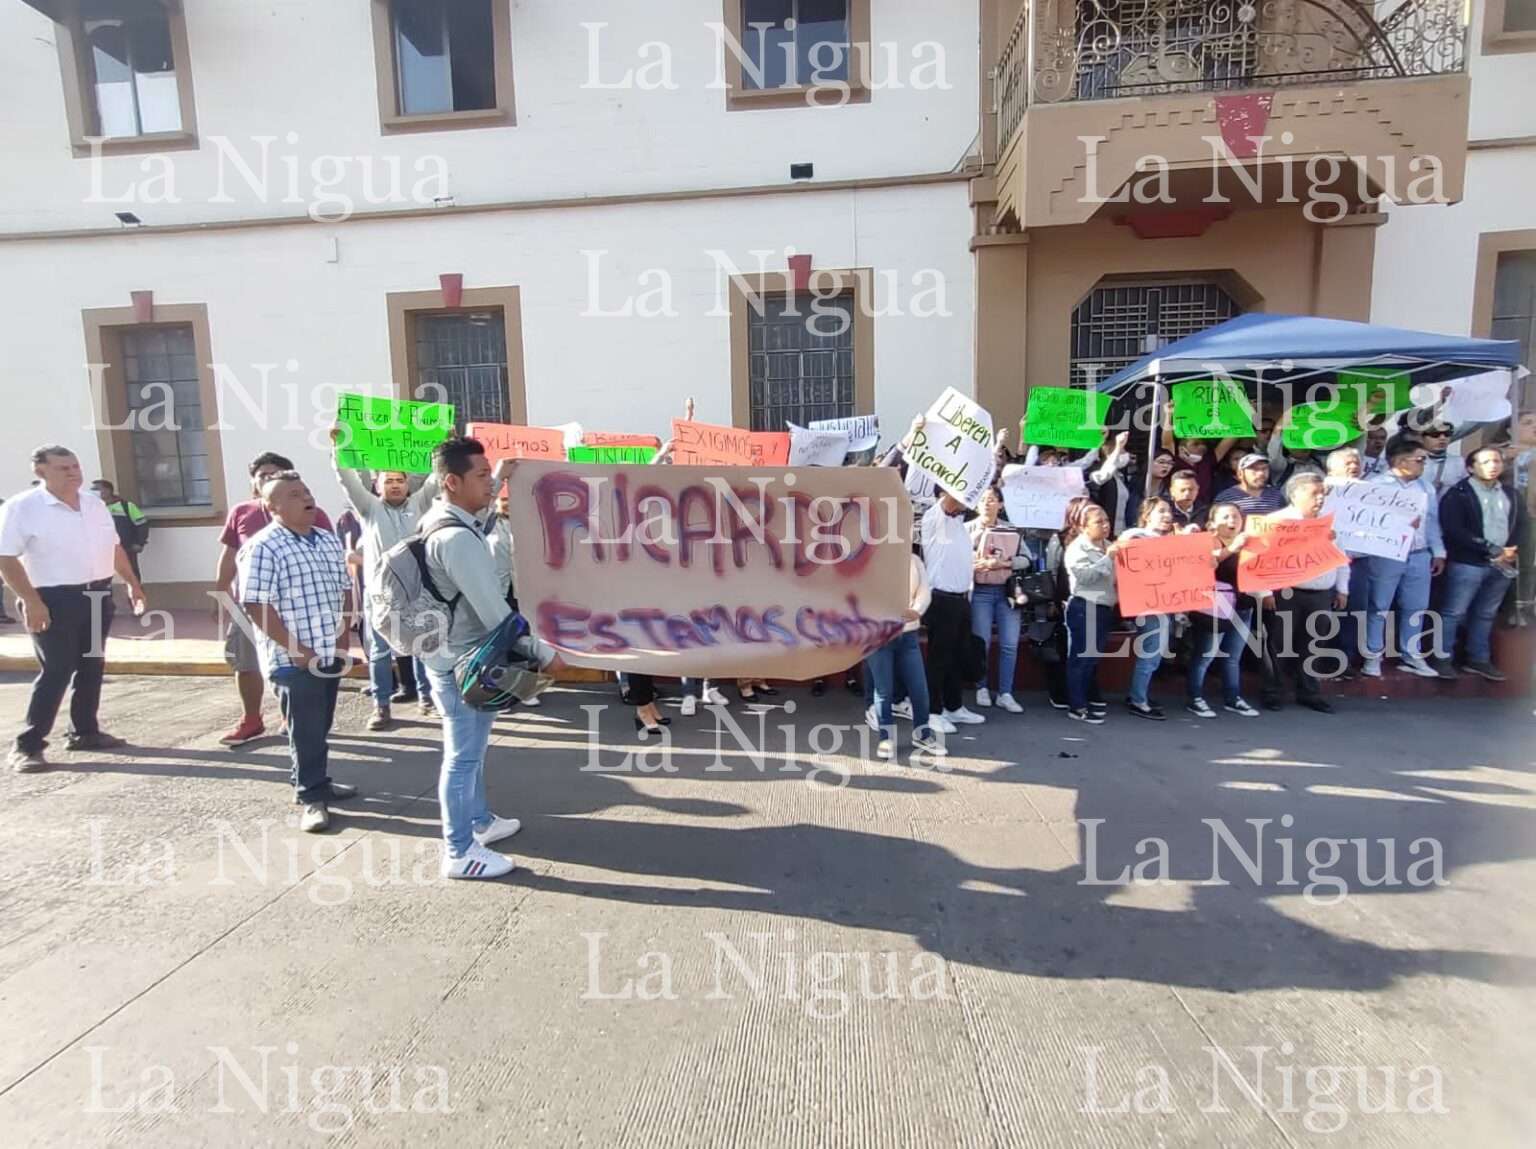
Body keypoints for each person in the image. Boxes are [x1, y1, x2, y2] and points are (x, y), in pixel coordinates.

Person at [418, 436, 559, 880]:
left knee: (473, 752)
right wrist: (543, 654)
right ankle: (459, 851)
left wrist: (500, 474)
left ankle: (480, 821)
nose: (489, 486)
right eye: (481, 476)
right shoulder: (457, 539)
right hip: (462, 663)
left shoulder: (445, 519)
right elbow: (496, 614)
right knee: (462, 757)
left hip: (455, 656)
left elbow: (481, 511)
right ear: (451, 482)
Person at [0, 445, 148, 772]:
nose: (73, 473)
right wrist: (32, 601)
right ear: (41, 472)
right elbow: (6, 558)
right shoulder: (22, 507)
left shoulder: (94, 504)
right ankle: (27, 745)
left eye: (75, 466)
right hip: (52, 598)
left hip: (96, 594)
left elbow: (113, 547)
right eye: (63, 468)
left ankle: (84, 731)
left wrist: (132, 583)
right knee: (57, 669)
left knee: (91, 664)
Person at [238, 472, 357, 833]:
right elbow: (255, 604)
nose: (306, 498)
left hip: (328, 651)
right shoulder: (263, 546)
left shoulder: (327, 540)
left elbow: (344, 590)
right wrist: (297, 649)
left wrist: (342, 638)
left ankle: (315, 781)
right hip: (292, 659)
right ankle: (311, 798)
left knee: (320, 725)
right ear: (272, 507)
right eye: (293, 495)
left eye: (306, 491)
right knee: (305, 729)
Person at [215, 452, 333, 747]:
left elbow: (327, 554)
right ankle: (251, 718)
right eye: (262, 475)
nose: (267, 478)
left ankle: (288, 715)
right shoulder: (242, 512)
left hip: (298, 608)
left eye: (274, 473)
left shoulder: (313, 514)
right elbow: (229, 555)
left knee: (292, 667)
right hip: (253, 602)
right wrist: (221, 591)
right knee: (245, 662)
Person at [330, 431, 439, 730]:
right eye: (388, 480)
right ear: (377, 485)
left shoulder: (420, 504)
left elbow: (437, 477)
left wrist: (444, 445)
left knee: (420, 645)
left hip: (415, 590)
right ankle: (381, 706)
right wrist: (338, 446)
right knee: (380, 652)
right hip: (380, 595)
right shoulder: (369, 508)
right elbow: (347, 478)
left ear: (407, 484)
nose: (394, 485)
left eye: (399, 480)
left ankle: (427, 700)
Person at [1258, 472, 1349, 713]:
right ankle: (1273, 692)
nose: (1320, 498)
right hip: (1285, 592)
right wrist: (1264, 592)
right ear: (1296, 494)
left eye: (1322, 494)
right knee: (1278, 643)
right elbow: (1259, 560)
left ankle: (1309, 692)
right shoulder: (1276, 522)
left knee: (1314, 644)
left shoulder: (1329, 524)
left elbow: (1341, 558)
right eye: (1314, 493)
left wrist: (1342, 588)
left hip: (1321, 593)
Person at [1437, 445, 1523, 681]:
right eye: (1485, 462)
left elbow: (1520, 524)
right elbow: (1454, 530)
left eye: (1496, 461)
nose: (1492, 466)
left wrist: (1511, 550)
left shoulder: (1511, 494)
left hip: (1502, 563)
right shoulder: (1458, 494)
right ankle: (1442, 658)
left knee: (1486, 613)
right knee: (1454, 612)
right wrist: (1490, 548)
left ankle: (1478, 659)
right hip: (1468, 562)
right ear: (1470, 468)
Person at [1361, 436, 1444, 679]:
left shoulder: (1426, 488)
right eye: (1419, 460)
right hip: (1386, 553)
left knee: (1416, 606)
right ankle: (1372, 656)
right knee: (1379, 605)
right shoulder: (1376, 485)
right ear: (1400, 460)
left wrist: (1438, 551)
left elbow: (1432, 522)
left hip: (1418, 553)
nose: (1423, 464)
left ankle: (1412, 654)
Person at [866, 551, 947, 759]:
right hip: (879, 635)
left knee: (919, 689)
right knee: (884, 690)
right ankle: (886, 739)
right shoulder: (870, 558)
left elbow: (924, 591)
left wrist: (917, 610)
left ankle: (922, 734)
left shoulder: (914, 560)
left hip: (909, 635)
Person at [1186, 503, 1260, 719]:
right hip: (1215, 608)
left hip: (1243, 605)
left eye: (1236, 516)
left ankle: (1232, 698)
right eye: (1226, 517)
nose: (1232, 521)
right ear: (1212, 523)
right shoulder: (1209, 541)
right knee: (1205, 655)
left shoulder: (1250, 542)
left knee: (1232, 656)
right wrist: (1232, 548)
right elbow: (1206, 563)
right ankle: (1195, 698)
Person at [1116, 497, 1185, 720]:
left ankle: (1139, 693)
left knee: (1155, 653)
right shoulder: (1135, 535)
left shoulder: (1170, 539)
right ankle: (1138, 700)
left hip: (1166, 603)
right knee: (1150, 653)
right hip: (1147, 605)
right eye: (1161, 511)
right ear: (1146, 516)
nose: (1167, 515)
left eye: (1169, 511)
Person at [921, 491, 985, 727]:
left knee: (957, 656)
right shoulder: (934, 516)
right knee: (939, 658)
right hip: (941, 599)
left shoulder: (959, 523)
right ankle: (932, 712)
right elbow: (952, 497)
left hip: (961, 598)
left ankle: (953, 706)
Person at [968, 487, 1024, 713]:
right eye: (982, 499)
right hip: (979, 591)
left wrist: (1004, 563)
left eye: (991, 500)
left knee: (1009, 644)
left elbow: (1027, 559)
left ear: (1000, 504)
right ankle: (981, 686)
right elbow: (956, 558)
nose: (986, 504)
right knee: (981, 642)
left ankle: (1005, 692)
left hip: (1006, 591)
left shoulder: (1011, 529)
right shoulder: (966, 529)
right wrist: (976, 561)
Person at [1062, 501, 1118, 724]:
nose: (1105, 525)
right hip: (1085, 606)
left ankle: (1086, 698)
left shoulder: (1109, 545)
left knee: (1092, 658)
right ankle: (1076, 706)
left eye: (1107, 520)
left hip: (1104, 607)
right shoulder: (1077, 548)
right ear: (1084, 527)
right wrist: (1108, 558)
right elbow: (1084, 577)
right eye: (1098, 522)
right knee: (1081, 658)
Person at [1324, 446, 1371, 673]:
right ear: (1332, 469)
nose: (1354, 467)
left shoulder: (1372, 492)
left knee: (1355, 609)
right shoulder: (1321, 490)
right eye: (1348, 463)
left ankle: (1346, 659)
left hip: (1358, 561)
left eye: (1356, 463)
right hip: (1326, 561)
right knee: (1325, 610)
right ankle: (1322, 657)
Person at [90, 479, 149, 580]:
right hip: (102, 548)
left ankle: (135, 590)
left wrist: (139, 543)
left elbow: (142, 524)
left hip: (126, 546)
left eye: (96, 489)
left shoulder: (126, 506)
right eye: (92, 490)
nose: (93, 492)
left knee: (131, 572)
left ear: (107, 491)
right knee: (102, 575)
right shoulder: (93, 508)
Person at [1214, 453, 1286, 516]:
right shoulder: (1225, 498)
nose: (1261, 473)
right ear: (1240, 474)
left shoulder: (1277, 495)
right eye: (1255, 469)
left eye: (1264, 468)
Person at [1412, 421, 1466, 498]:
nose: (1442, 438)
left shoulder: (1459, 462)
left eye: (1447, 434)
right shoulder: (1411, 462)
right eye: (1435, 434)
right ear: (1421, 438)